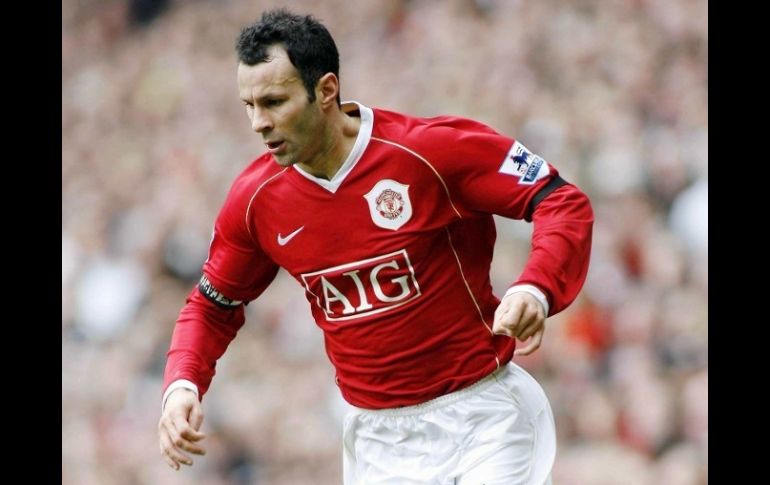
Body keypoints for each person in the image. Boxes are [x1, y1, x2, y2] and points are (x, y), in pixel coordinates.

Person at [157, 8, 593, 484]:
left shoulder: (428, 151)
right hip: (379, 441)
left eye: (274, 102)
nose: (259, 123)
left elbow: (558, 199)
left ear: (326, 90)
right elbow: (213, 305)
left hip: (484, 415)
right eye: (249, 105)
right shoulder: (255, 201)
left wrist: (536, 288)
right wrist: (182, 385)